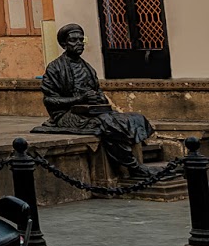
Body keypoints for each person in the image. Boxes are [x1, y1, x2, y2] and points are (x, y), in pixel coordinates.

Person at [33, 23, 154, 178]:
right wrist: (79, 99)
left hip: (93, 111)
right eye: (73, 40)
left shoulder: (88, 68)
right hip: (67, 115)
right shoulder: (55, 68)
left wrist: (99, 98)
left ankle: (136, 159)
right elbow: (49, 100)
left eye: (81, 40)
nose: (78, 44)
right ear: (64, 44)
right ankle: (133, 167)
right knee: (107, 124)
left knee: (135, 118)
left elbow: (98, 91)